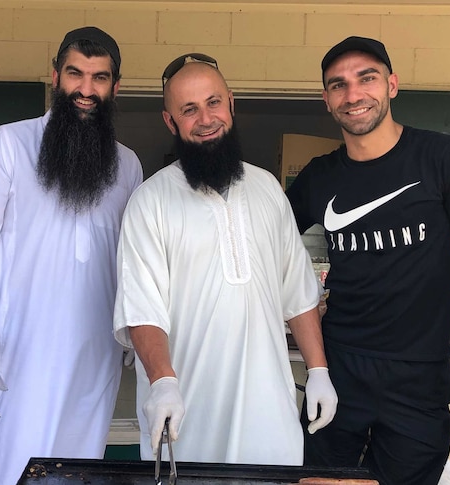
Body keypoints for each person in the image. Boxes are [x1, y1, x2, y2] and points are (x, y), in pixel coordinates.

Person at [113, 54, 337, 465]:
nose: (206, 118)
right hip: (188, 411)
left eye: (214, 102)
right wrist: (163, 382)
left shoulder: (267, 188)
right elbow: (142, 306)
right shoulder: (150, 201)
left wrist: (318, 371)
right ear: (170, 122)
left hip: (269, 412)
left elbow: (297, 289)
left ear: (231, 103)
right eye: (189, 109)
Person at [0, 26, 143, 485]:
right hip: (17, 346)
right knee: (12, 464)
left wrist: (136, 324)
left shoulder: (129, 165)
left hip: (96, 351)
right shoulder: (9, 144)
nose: (86, 89)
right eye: (76, 74)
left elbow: (132, 258)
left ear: (115, 87)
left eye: (99, 78)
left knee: (80, 465)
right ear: (55, 76)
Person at [285, 37, 450, 485]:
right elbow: (267, 249)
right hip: (339, 369)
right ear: (326, 99)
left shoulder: (444, 157)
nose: (353, 95)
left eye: (366, 78)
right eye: (338, 85)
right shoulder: (319, 176)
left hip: (419, 376)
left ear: (392, 84)